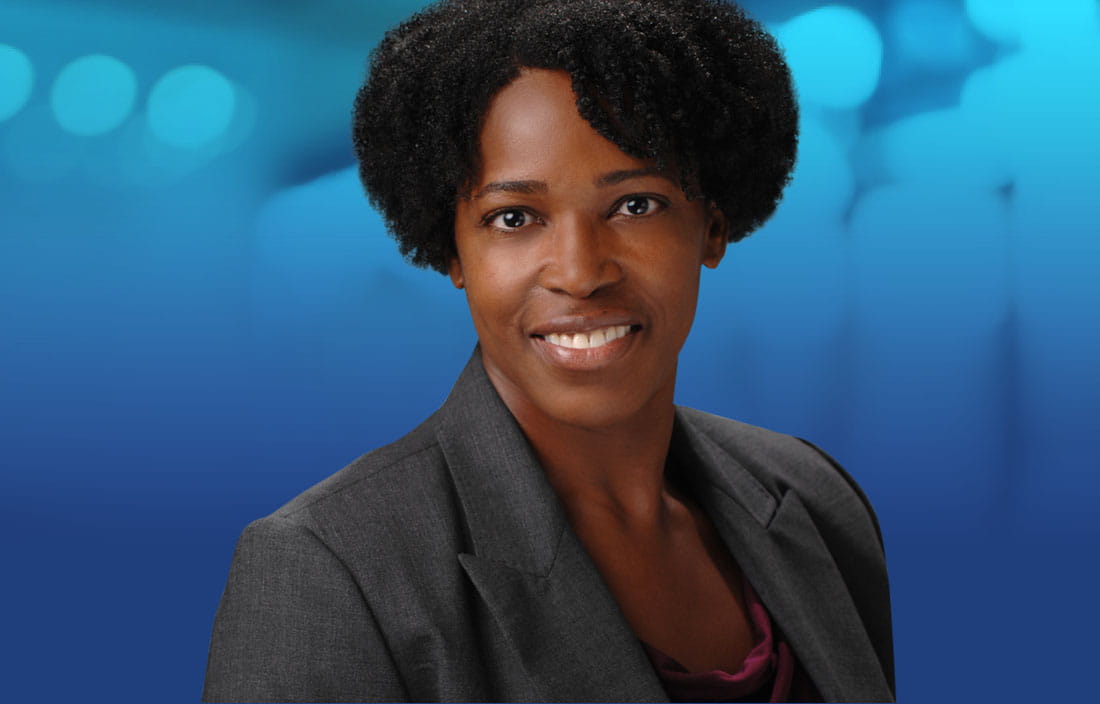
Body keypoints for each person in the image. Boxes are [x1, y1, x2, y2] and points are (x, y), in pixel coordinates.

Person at [202, 0, 894, 701]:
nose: (580, 270)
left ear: (712, 227)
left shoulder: (812, 500)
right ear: (453, 252)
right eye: (514, 218)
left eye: (635, 205)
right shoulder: (330, 568)